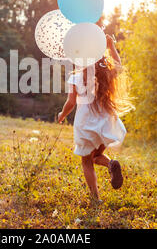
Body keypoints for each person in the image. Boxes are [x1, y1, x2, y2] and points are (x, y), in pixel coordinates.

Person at [58, 34, 134, 201]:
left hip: (85, 125)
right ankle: (110, 164)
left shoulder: (77, 77)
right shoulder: (106, 74)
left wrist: (62, 114)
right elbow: (118, 65)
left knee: (87, 161)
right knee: (96, 156)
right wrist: (111, 46)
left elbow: (70, 102)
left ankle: (95, 198)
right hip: (105, 122)